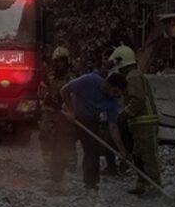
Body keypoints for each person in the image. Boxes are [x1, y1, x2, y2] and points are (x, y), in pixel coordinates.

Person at [60, 71, 129, 191]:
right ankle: (55, 177)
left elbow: (113, 127)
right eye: (116, 91)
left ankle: (91, 184)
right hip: (72, 116)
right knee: (61, 145)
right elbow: (64, 90)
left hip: (90, 121)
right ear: (108, 84)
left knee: (92, 152)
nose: (116, 95)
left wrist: (122, 151)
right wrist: (71, 111)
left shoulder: (112, 102)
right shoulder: (89, 80)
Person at [112, 45, 161, 198]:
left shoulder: (132, 76)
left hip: (144, 122)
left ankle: (154, 187)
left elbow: (137, 100)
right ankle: (142, 185)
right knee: (138, 156)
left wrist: (123, 115)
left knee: (148, 156)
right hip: (139, 123)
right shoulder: (134, 75)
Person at [38, 46, 77, 184]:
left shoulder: (72, 78)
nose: (58, 64)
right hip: (49, 110)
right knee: (45, 132)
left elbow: (76, 95)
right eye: (56, 61)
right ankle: (47, 165)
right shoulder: (48, 76)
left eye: (61, 61)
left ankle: (70, 164)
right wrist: (47, 96)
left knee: (67, 136)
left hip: (65, 112)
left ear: (67, 62)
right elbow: (41, 91)